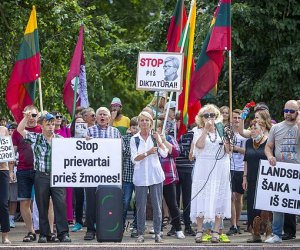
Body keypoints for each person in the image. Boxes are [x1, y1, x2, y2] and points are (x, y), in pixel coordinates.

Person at [17, 111, 71, 243]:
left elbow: (74, 151)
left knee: (60, 205)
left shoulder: (61, 140)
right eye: (48, 124)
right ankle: (44, 234)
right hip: (41, 176)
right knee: (42, 206)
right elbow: (20, 129)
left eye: (52, 124)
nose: (51, 127)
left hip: (58, 176)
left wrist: (86, 140)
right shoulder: (36, 138)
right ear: (42, 125)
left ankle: (63, 234)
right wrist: (26, 117)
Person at [190, 104, 231, 243]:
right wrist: (205, 131)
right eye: (206, 115)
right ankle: (200, 230)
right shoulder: (197, 131)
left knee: (219, 197)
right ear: (201, 118)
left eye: (212, 115)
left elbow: (228, 151)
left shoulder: (222, 130)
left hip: (220, 168)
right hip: (203, 168)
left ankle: (216, 230)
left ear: (217, 117)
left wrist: (227, 139)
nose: (209, 118)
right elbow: (199, 146)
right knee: (202, 197)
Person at [264, 100, 300, 244]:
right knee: (277, 203)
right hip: (281, 171)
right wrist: (270, 156)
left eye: (292, 111)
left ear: (297, 112)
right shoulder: (276, 127)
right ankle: (277, 234)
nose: (288, 114)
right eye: (286, 111)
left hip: (297, 169)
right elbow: (268, 146)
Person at [84, 107, 121, 241]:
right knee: (91, 202)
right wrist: (85, 141)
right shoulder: (89, 131)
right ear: (96, 117)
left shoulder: (115, 132)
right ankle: (90, 230)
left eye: (105, 114)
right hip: (91, 173)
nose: (102, 116)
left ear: (109, 118)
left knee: (108, 202)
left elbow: (119, 152)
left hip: (109, 174)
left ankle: (105, 228)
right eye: (99, 114)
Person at [130, 111, 168, 243]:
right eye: (142, 120)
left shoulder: (155, 137)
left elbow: (164, 154)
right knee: (141, 206)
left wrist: (159, 141)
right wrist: (147, 152)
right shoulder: (134, 139)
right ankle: (140, 233)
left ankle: (158, 233)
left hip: (155, 175)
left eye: (147, 120)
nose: (144, 123)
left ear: (151, 123)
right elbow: (134, 159)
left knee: (157, 205)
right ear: (139, 123)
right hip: (140, 176)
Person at [11, 105, 42, 242]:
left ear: (38, 116)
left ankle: (47, 231)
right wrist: (11, 170)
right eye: (28, 115)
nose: (31, 118)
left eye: (34, 115)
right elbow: (13, 152)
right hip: (23, 170)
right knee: (24, 202)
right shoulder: (18, 132)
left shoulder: (42, 129)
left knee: (45, 201)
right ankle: (31, 231)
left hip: (40, 170)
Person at [242, 120, 271, 243]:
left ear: (262, 129)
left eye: (255, 128)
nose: (253, 130)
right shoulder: (248, 142)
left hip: (265, 179)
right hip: (252, 179)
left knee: (265, 207)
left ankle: (269, 233)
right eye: (251, 128)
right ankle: (256, 233)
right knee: (252, 206)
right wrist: (244, 177)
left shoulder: (268, 142)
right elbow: (246, 161)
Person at [155, 120, 185, 239]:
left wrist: (164, 141)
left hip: (168, 176)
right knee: (157, 204)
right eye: (156, 128)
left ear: (164, 129)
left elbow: (176, 153)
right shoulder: (150, 139)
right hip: (155, 177)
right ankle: (159, 229)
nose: (157, 130)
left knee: (172, 204)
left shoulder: (170, 138)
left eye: (159, 128)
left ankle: (178, 229)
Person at [226, 109, 246, 236]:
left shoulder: (246, 134)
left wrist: (236, 148)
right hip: (229, 167)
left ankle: (237, 223)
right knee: (231, 197)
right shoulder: (227, 132)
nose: (237, 120)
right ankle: (233, 224)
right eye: (234, 117)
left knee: (239, 197)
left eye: (239, 118)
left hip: (241, 168)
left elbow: (248, 151)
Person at [52, 111, 73, 224]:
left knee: (68, 191)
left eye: (60, 116)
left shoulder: (66, 130)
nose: (59, 118)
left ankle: (69, 217)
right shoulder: (49, 131)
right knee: (56, 194)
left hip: (66, 164)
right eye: (56, 116)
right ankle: (54, 218)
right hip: (53, 165)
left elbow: (70, 146)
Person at [175, 125, 196, 236]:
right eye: (177, 120)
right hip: (175, 169)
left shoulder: (192, 134)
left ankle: (188, 225)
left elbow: (191, 153)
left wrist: (178, 150)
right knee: (175, 200)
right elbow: (171, 151)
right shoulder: (173, 132)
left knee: (187, 199)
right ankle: (175, 225)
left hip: (188, 169)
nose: (179, 122)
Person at [122, 117, 138, 233]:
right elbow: (126, 152)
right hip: (127, 175)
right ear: (129, 128)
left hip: (139, 176)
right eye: (133, 127)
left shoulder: (143, 139)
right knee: (125, 201)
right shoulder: (125, 138)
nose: (136, 129)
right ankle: (121, 224)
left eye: (137, 126)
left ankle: (136, 225)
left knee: (138, 202)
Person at [70, 116, 87, 232]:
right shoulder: (70, 139)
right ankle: (79, 222)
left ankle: (92, 221)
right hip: (77, 173)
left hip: (90, 173)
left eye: (82, 123)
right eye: (78, 123)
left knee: (90, 199)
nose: (80, 125)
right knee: (79, 198)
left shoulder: (89, 138)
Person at [0, 125, 11, 244]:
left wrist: (11, 171)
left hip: (2, 170)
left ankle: (5, 235)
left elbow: (10, 151)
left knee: (3, 204)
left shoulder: (3, 129)